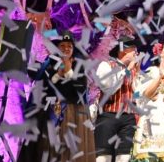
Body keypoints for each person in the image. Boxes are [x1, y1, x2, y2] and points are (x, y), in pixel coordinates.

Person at [19, 30, 96, 162]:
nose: (66, 49)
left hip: (70, 117)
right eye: (62, 46)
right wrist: (57, 75)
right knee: (43, 148)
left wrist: (69, 71)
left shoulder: (79, 67)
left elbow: (80, 92)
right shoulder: (47, 63)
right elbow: (39, 85)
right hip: (46, 115)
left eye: (69, 46)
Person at [95, 36, 142, 162]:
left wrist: (136, 76)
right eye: (134, 52)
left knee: (125, 157)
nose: (136, 55)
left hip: (128, 118)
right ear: (124, 51)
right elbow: (109, 88)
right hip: (108, 116)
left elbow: (137, 95)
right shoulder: (106, 65)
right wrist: (126, 71)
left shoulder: (133, 71)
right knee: (104, 157)